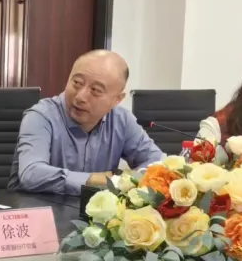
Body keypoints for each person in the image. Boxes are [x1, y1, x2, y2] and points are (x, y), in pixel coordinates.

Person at [9, 50, 163, 195]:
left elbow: (157, 163)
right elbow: (31, 174)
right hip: (38, 209)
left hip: (95, 212)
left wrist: (128, 180)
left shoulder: (121, 120)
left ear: (117, 99)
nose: (80, 97)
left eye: (95, 90)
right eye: (77, 83)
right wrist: (94, 180)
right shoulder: (41, 116)